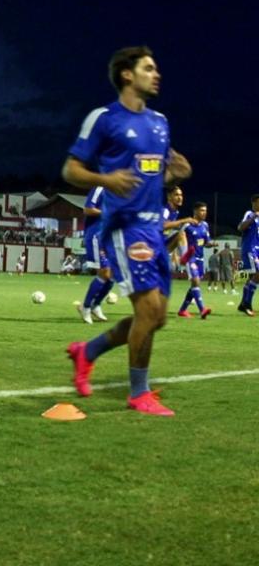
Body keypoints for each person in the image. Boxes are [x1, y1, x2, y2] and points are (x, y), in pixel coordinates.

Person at [63, 46, 191, 416]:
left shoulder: (160, 123)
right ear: (127, 75)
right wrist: (105, 178)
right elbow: (71, 170)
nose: (157, 74)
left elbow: (158, 172)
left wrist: (175, 172)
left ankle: (86, 352)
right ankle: (139, 393)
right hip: (124, 228)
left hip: (154, 231)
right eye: (149, 68)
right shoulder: (104, 119)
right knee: (148, 311)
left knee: (156, 318)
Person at [76, 185, 112, 324]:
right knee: (105, 272)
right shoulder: (99, 188)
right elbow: (87, 209)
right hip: (96, 235)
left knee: (113, 274)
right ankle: (85, 307)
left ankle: (95, 305)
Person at [178, 202, 213, 318]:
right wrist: (181, 254)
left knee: (195, 284)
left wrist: (211, 244)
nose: (204, 213)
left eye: (205, 210)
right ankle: (202, 309)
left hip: (200, 259)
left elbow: (206, 242)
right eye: (202, 210)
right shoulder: (187, 225)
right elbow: (179, 238)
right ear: (195, 211)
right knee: (196, 281)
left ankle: (182, 310)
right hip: (190, 258)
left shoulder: (205, 225)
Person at [237, 194, 259, 317]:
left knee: (252, 277)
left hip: (257, 250)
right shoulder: (250, 214)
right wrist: (253, 217)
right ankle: (247, 305)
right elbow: (240, 227)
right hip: (250, 249)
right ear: (255, 203)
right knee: (257, 273)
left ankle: (242, 304)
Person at [162, 185, 194, 265]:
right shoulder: (165, 210)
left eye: (181, 195)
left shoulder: (175, 212)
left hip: (163, 246)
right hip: (153, 246)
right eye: (176, 195)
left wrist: (174, 252)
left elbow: (169, 231)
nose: (180, 197)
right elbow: (163, 225)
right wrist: (184, 220)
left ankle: (184, 258)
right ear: (169, 197)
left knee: (181, 233)